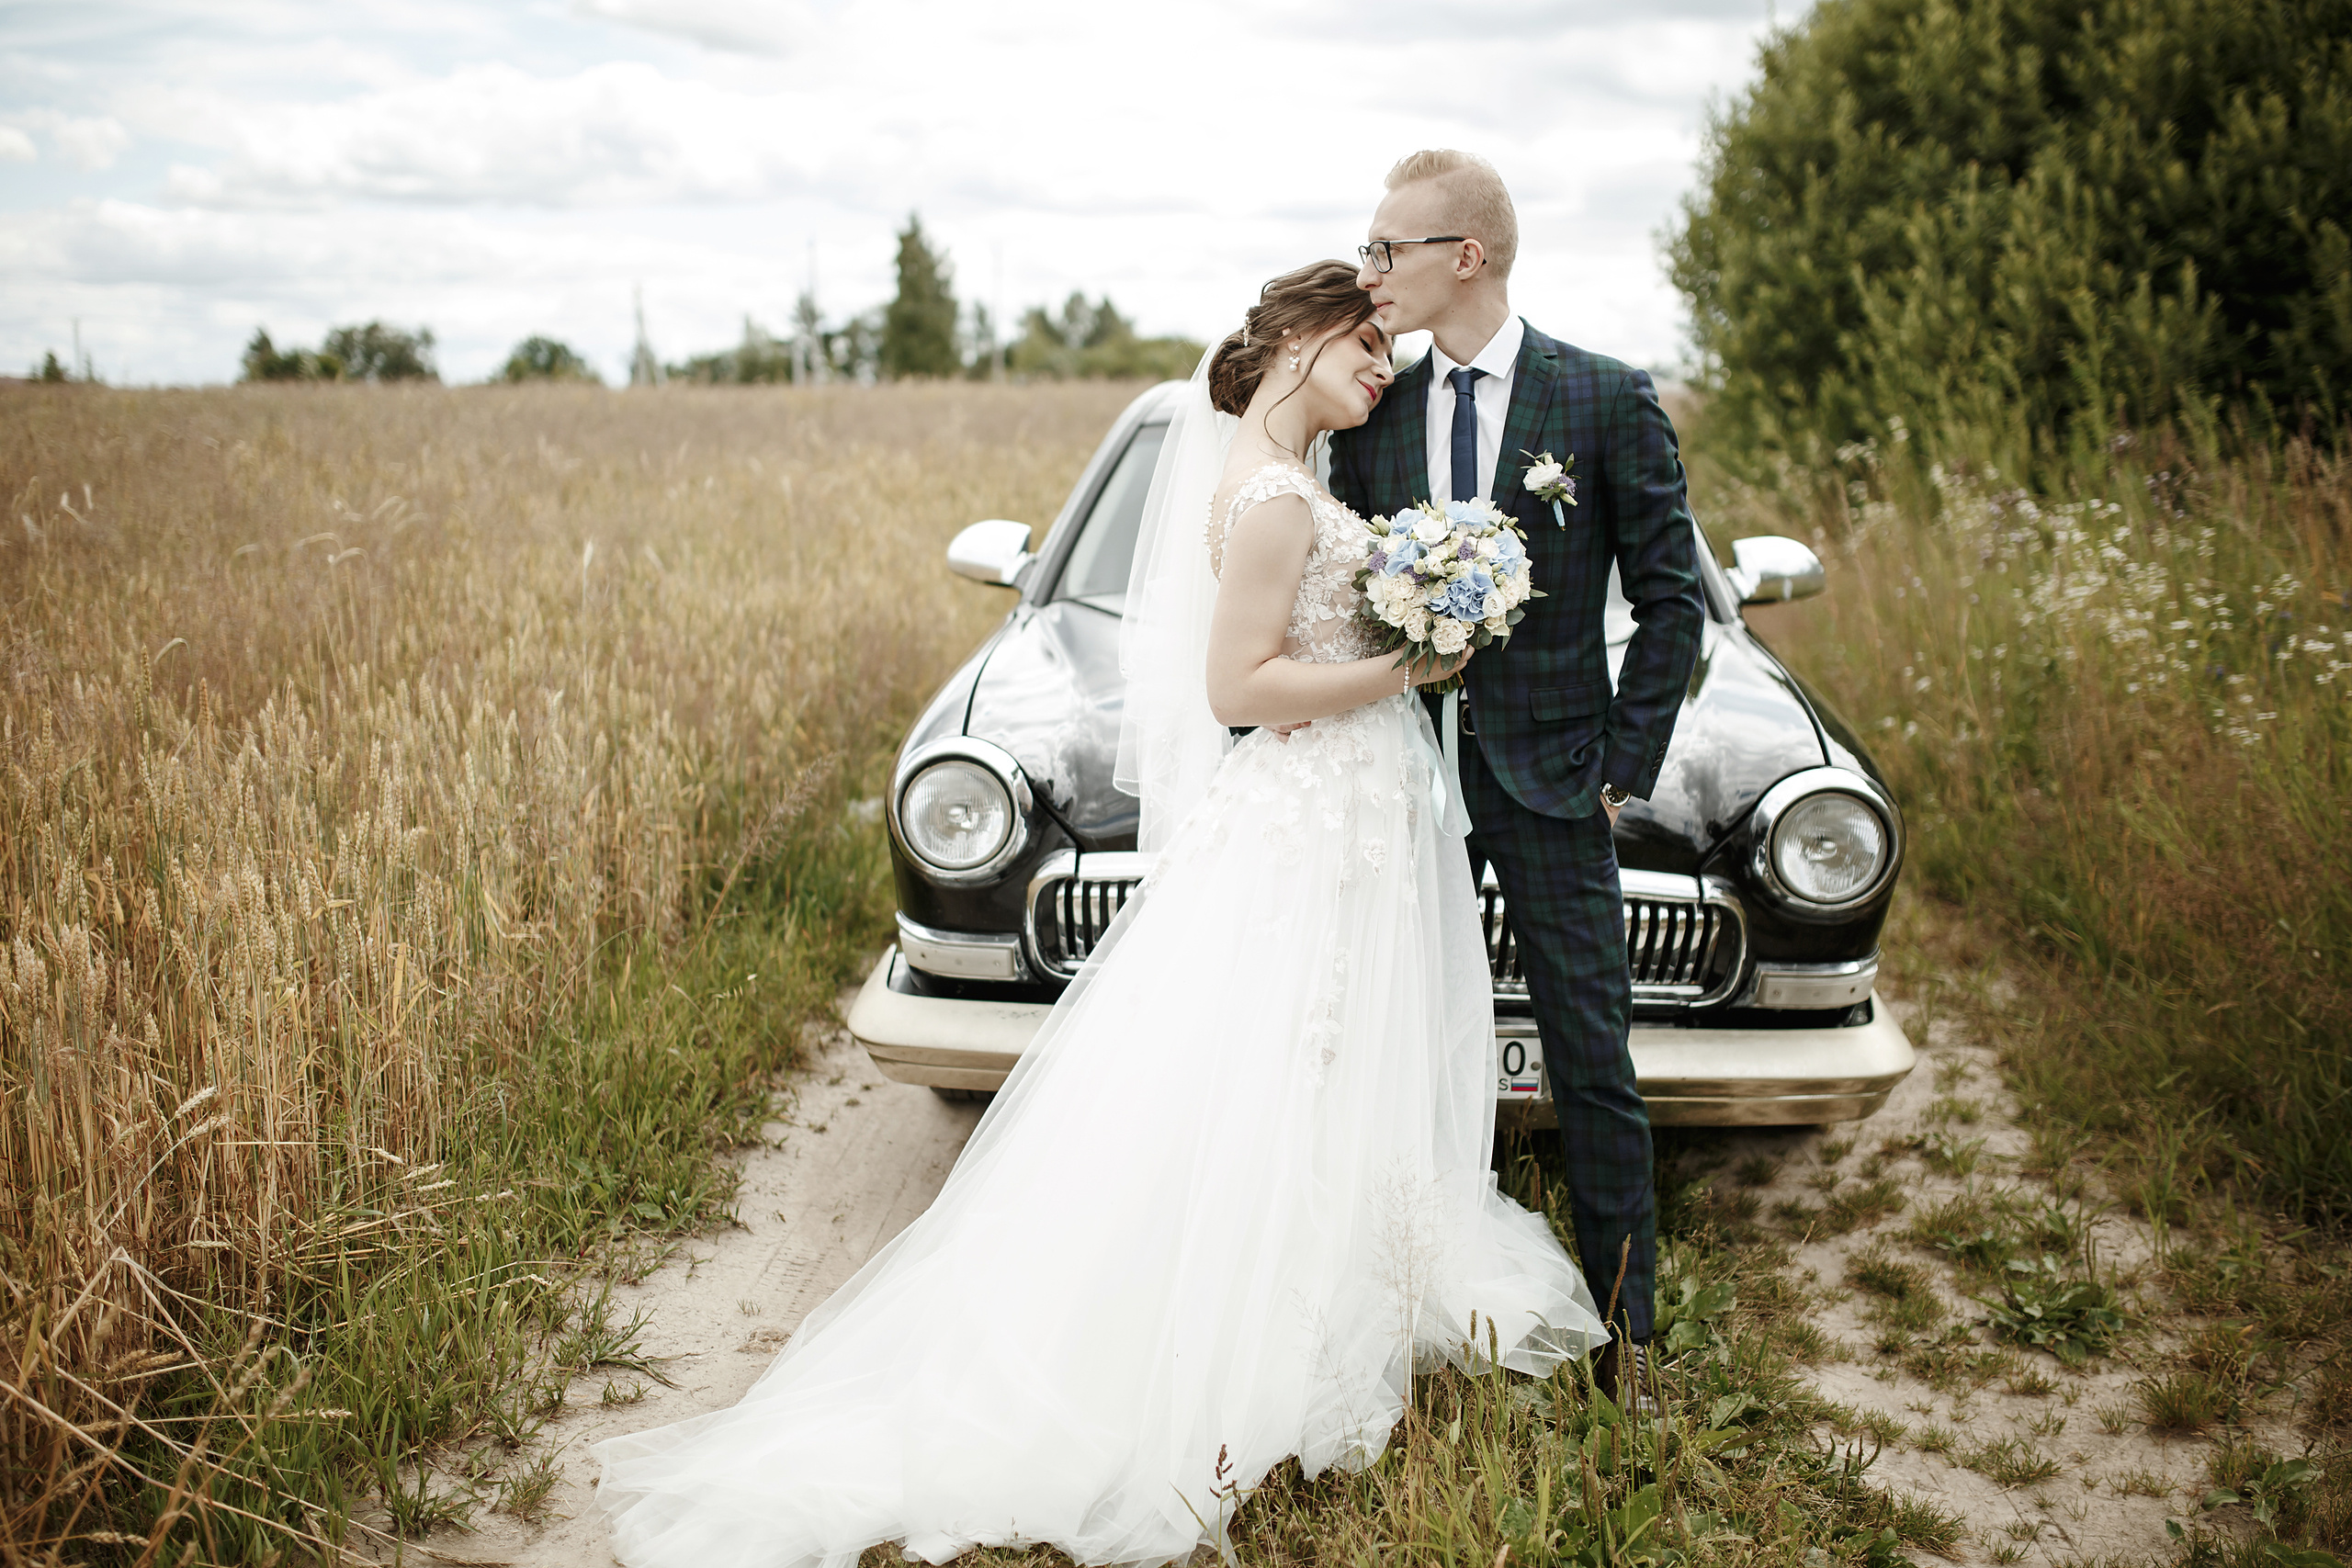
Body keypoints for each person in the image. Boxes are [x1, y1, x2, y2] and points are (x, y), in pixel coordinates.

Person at [589, 260, 1605, 1568]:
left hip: (1343, 803)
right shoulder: (1273, 500)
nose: (1383, 365)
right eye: (1366, 342)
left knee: (1317, 1054)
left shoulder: (1291, 477)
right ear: (1298, 334)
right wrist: (1409, 661)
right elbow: (1239, 687)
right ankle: (1247, 1322)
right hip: (1312, 806)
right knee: (1293, 1049)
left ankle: (1335, 1273)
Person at [1328, 151, 1706, 1404]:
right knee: (1373, 1044)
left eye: (1391, 248)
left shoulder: (1601, 399)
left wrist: (1621, 773)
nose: (1373, 269)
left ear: (1466, 256)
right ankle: (1372, 1317)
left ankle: (1629, 1342)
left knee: (1591, 1058)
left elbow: (1670, 606)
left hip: (1556, 783)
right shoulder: (1372, 409)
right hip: (1395, 775)